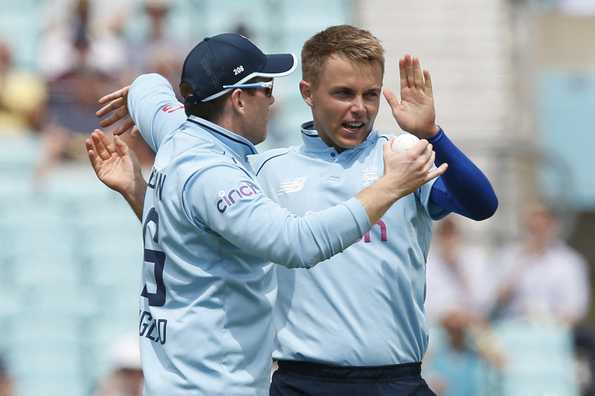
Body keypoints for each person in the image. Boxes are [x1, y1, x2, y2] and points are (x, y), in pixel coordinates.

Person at [93, 26, 496, 395]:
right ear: (308, 93)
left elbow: (481, 205)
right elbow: (211, 234)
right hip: (301, 381)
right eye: (343, 93)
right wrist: (138, 191)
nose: (359, 108)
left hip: (397, 379)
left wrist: (432, 135)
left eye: (370, 94)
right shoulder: (260, 170)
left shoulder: (402, 156)